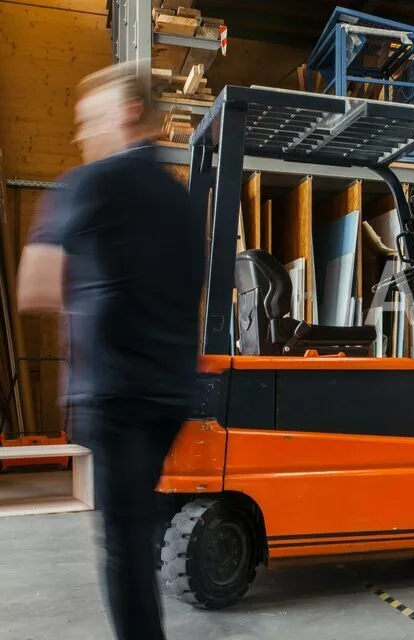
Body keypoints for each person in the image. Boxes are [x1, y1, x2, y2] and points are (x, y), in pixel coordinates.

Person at [17, 62, 205, 640]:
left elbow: (35, 288)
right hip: (170, 392)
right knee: (136, 524)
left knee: (123, 544)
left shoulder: (90, 184)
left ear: (126, 111)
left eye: (87, 119)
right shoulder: (183, 205)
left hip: (116, 392)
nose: (80, 134)